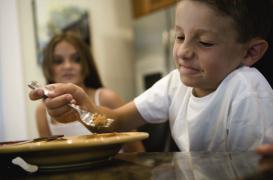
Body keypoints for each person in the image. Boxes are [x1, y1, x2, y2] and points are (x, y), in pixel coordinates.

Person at [30, 0, 273, 152]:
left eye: (205, 42)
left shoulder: (246, 90)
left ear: (250, 52)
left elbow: (252, 169)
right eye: (179, 36)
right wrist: (82, 109)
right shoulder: (174, 84)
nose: (184, 51)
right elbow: (115, 124)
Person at [35, 32, 144, 152]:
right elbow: (49, 155)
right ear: (48, 68)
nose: (67, 66)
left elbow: (136, 150)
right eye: (58, 61)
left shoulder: (107, 98)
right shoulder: (42, 111)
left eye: (76, 59)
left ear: (86, 64)